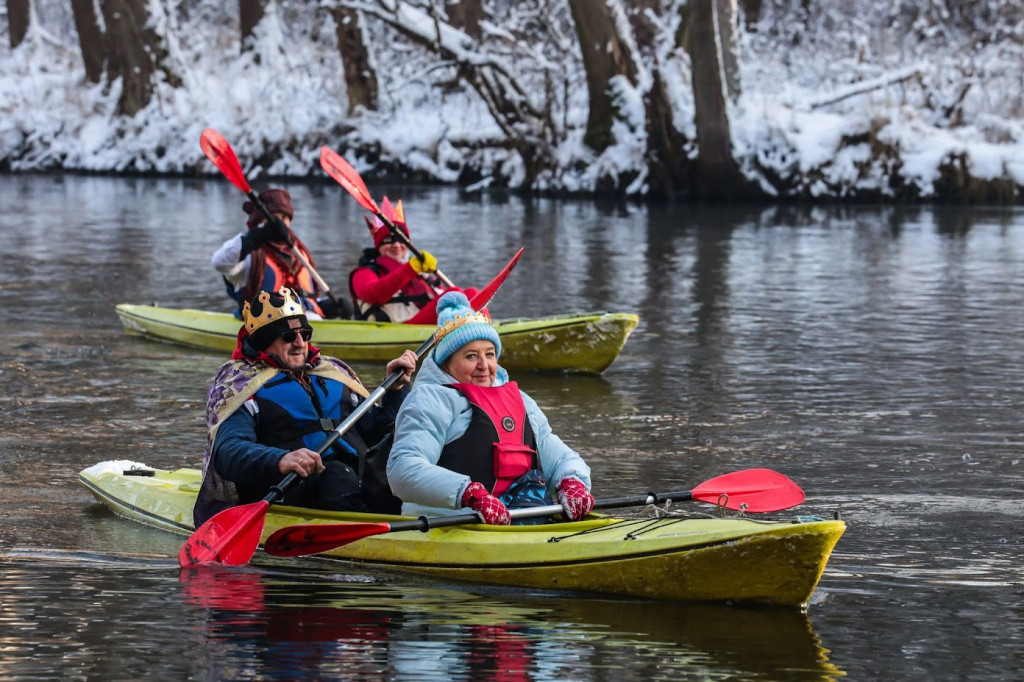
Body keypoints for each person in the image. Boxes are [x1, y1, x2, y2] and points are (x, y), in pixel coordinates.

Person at [192, 287, 417, 528]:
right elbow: (228, 452)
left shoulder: (333, 374)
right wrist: (281, 460)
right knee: (337, 476)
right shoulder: (242, 386)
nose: (300, 343)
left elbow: (378, 432)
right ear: (265, 342)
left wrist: (395, 390)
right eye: (289, 337)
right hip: (293, 487)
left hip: (360, 481)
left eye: (305, 334)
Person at [386, 291, 595, 525]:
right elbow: (403, 468)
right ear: (447, 363)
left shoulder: (522, 401)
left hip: (517, 516)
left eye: (490, 354)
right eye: (471, 356)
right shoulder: (429, 400)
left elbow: (559, 458)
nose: (483, 366)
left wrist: (572, 482)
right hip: (448, 523)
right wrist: (467, 493)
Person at [212, 188, 350, 320]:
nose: (278, 222)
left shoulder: (299, 253)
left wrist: (327, 306)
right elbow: (220, 263)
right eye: (272, 218)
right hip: (267, 326)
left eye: (283, 217)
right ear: (260, 222)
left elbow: (304, 297)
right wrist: (255, 237)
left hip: (305, 322)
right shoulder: (248, 254)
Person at [348, 197, 476, 324]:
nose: (397, 245)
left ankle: (485, 332)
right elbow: (373, 294)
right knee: (455, 296)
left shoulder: (419, 273)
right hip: (396, 330)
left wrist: (414, 269)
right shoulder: (363, 272)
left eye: (401, 240)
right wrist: (410, 269)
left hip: (427, 327)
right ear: (378, 245)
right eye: (388, 240)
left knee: (471, 294)